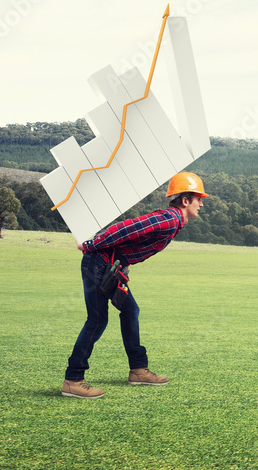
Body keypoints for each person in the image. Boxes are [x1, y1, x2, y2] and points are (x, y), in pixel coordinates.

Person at [61, 171, 208, 399]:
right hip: (98, 262)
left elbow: (133, 242)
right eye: (199, 199)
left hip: (111, 266)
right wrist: (91, 245)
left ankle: (138, 370)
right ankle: (73, 379)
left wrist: (123, 266)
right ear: (186, 200)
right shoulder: (169, 219)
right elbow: (126, 229)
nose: (201, 204)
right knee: (97, 320)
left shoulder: (175, 221)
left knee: (131, 310)